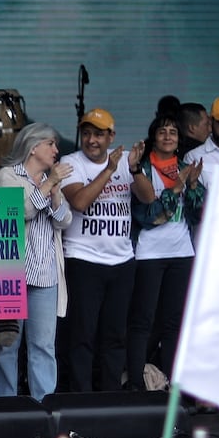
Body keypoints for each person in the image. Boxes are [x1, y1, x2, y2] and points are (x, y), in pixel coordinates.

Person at [59, 108, 152, 392]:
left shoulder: (126, 160)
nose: (91, 140)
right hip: (83, 260)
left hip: (122, 262)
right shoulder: (71, 162)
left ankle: (111, 396)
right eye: (86, 133)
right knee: (82, 335)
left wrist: (134, 169)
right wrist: (109, 170)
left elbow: (148, 197)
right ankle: (81, 398)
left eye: (98, 134)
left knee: (115, 336)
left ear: (111, 136)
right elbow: (80, 202)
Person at [0, 122, 73, 399]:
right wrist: (49, 184)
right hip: (12, 274)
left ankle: (44, 406)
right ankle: (6, 405)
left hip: (46, 274)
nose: (56, 150)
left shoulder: (51, 179)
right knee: (7, 346)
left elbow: (64, 221)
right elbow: (21, 212)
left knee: (43, 346)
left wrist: (55, 191)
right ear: (33, 146)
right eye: (50, 144)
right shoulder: (8, 175)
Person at [126, 114, 203, 391]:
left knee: (174, 324)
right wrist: (177, 187)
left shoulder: (185, 167)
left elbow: (198, 213)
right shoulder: (141, 169)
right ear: (153, 138)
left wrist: (192, 186)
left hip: (182, 253)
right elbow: (151, 216)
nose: (168, 136)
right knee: (142, 322)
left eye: (173, 132)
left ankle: (172, 385)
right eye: (162, 131)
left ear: (179, 140)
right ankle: (136, 385)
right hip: (149, 254)